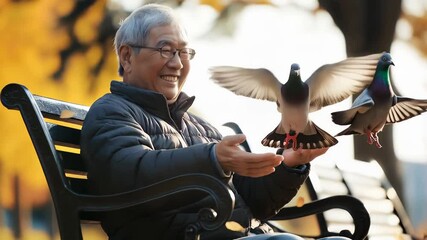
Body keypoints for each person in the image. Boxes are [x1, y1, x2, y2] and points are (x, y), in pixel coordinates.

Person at [80, 3, 346, 240]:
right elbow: (132, 176)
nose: (177, 63)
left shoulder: (200, 127)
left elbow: (253, 202)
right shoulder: (111, 113)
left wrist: (289, 165)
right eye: (165, 50)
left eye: (184, 52)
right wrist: (213, 159)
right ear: (127, 57)